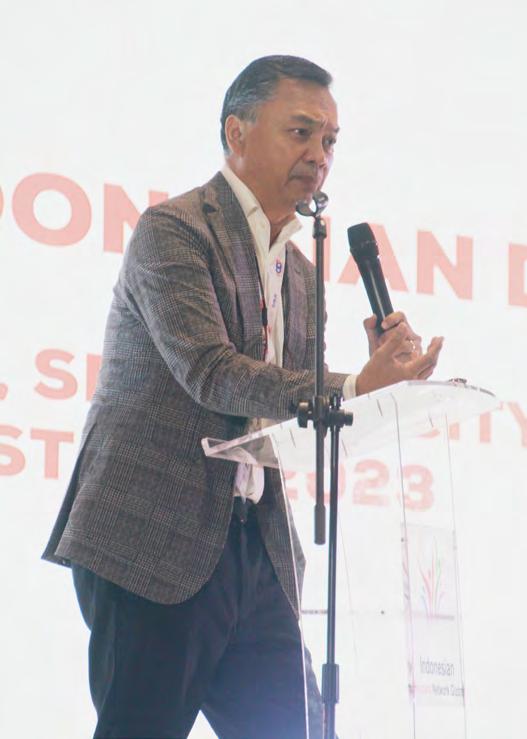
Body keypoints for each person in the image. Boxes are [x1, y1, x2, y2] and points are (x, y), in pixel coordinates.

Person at [43, 55, 443, 739]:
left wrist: (378, 379)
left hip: (255, 548)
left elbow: (297, 401)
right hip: (153, 538)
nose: (319, 155)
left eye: (330, 140)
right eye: (300, 132)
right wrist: (349, 386)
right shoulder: (174, 229)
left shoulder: (302, 272)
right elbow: (209, 370)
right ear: (237, 132)